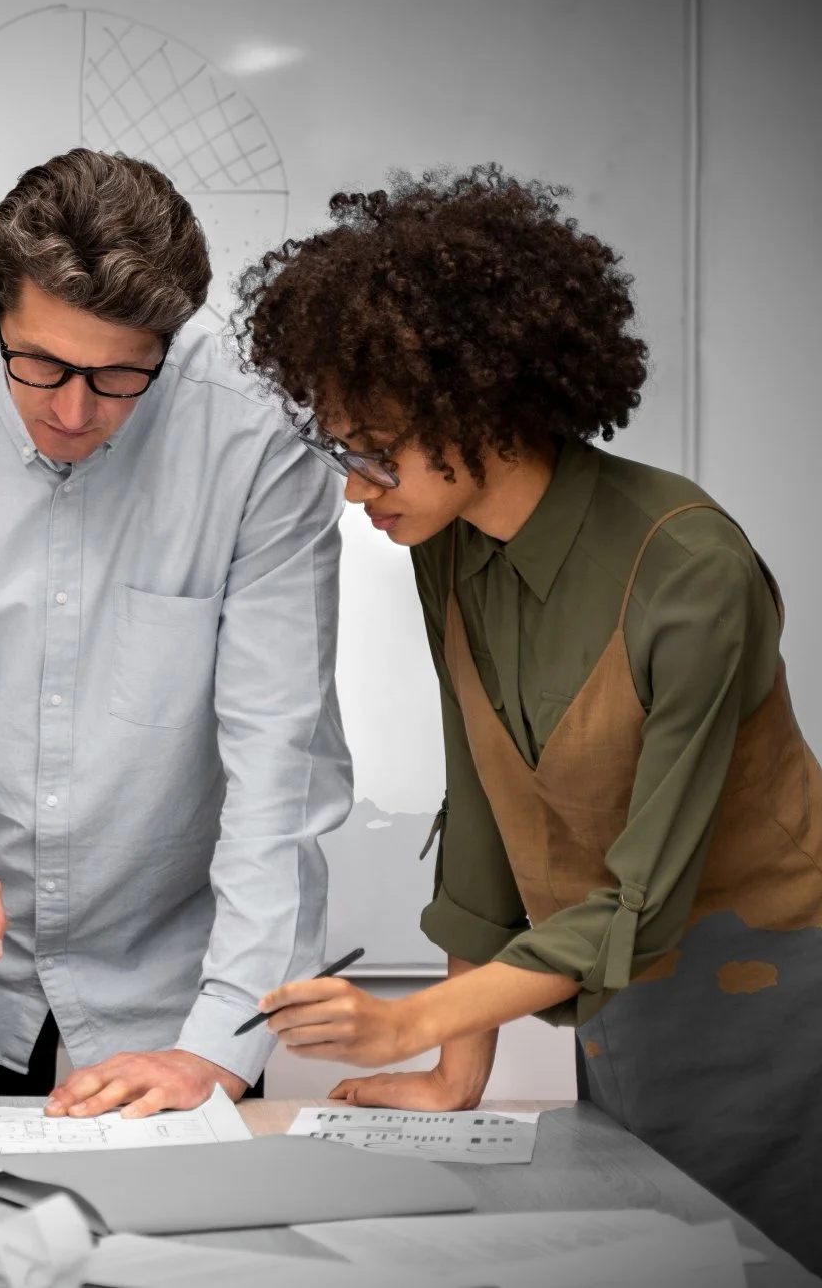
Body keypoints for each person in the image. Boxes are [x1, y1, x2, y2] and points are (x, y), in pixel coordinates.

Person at [239, 166, 822, 1272]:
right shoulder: (447, 548)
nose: (355, 489)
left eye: (373, 450)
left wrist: (405, 1020)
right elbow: (483, 809)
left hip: (772, 1010)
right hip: (619, 1012)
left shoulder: (688, 566)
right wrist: (456, 1069)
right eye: (340, 450)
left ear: (479, 405)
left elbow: (643, 899)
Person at [0, 148, 352, 1116]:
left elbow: (278, 764)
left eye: (120, 376)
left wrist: (220, 1047)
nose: (73, 409)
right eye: (40, 362)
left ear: (170, 342)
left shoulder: (259, 446)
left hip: (175, 978)